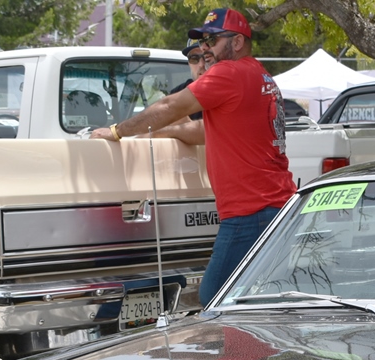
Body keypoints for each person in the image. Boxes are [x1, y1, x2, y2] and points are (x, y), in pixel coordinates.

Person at [90, 8, 296, 306]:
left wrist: (118, 131)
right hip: (276, 207)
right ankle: (257, 352)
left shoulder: (230, 72)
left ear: (237, 42)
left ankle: (235, 353)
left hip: (249, 212)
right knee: (255, 302)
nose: (204, 48)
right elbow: (207, 130)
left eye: (212, 40)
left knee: (214, 298)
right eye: (202, 42)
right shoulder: (260, 75)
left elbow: (172, 104)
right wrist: (165, 133)